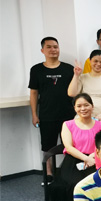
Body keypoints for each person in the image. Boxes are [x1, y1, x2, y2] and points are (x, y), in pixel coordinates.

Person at [29, 36, 75, 175]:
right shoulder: (36, 69)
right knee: (47, 146)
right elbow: (34, 93)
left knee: (70, 145)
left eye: (55, 47)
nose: (53, 49)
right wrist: (34, 114)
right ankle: (48, 173)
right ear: (42, 50)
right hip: (47, 114)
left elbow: (75, 91)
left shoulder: (69, 69)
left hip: (68, 115)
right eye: (48, 47)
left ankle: (68, 172)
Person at [57, 94, 101, 201]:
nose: (83, 108)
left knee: (98, 183)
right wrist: (86, 158)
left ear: (92, 106)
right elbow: (68, 147)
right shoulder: (68, 124)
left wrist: (92, 157)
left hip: (96, 158)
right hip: (74, 160)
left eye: (86, 105)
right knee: (75, 184)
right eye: (79, 106)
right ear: (75, 108)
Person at [68, 50, 101, 120]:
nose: (98, 64)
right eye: (95, 61)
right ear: (90, 60)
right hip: (83, 115)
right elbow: (71, 93)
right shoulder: (82, 77)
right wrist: (76, 75)